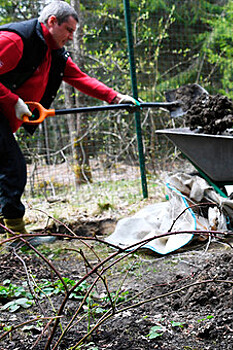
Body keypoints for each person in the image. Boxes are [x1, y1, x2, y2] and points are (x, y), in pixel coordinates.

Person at [0, 1, 138, 246]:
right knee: (13, 168)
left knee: (9, 168)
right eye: (69, 30)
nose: (72, 37)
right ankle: (17, 237)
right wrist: (13, 101)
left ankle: (11, 231)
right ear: (52, 22)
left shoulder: (54, 54)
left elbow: (81, 79)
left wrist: (114, 97)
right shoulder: (15, 40)